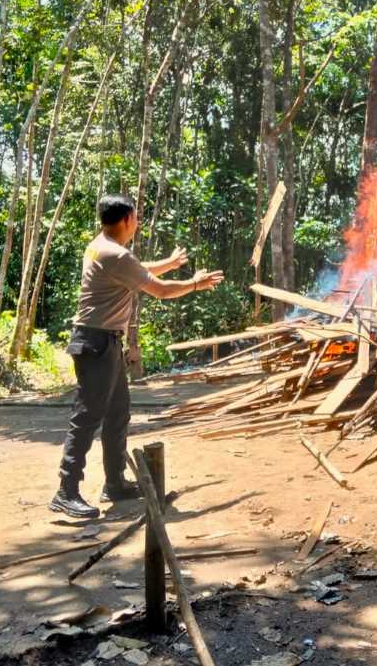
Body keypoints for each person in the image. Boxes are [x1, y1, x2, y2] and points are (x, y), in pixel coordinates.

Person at [49, 194, 224, 519]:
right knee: (87, 417)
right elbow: (161, 289)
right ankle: (66, 491)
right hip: (96, 343)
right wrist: (194, 284)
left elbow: (138, 269)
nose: (138, 223)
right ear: (127, 219)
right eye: (136, 217)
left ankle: (115, 483)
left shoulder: (101, 246)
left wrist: (169, 263)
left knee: (117, 414)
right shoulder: (115, 254)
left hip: (104, 342)